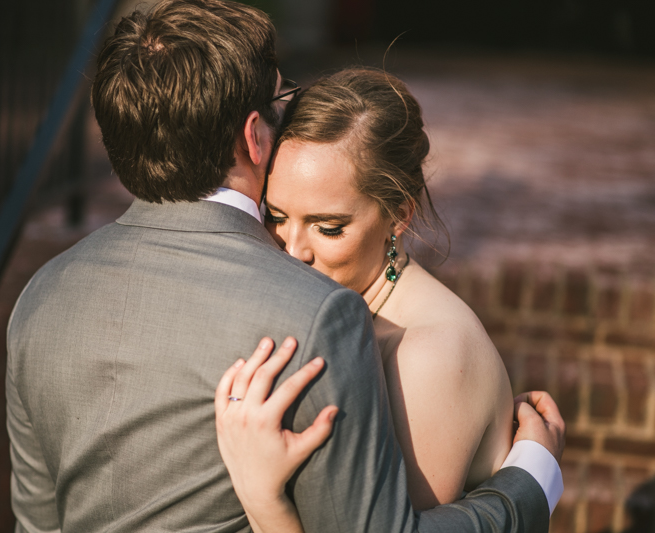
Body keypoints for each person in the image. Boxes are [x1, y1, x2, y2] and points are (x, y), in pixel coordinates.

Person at [5, 1, 564, 532]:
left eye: (327, 225)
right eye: (280, 102)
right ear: (254, 136)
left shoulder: (39, 297)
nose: (293, 248)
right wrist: (532, 481)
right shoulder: (315, 314)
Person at [213, 67, 564, 531]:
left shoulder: (429, 355)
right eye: (276, 217)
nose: (293, 250)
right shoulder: (334, 306)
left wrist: (263, 500)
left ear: (397, 216)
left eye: (329, 227)